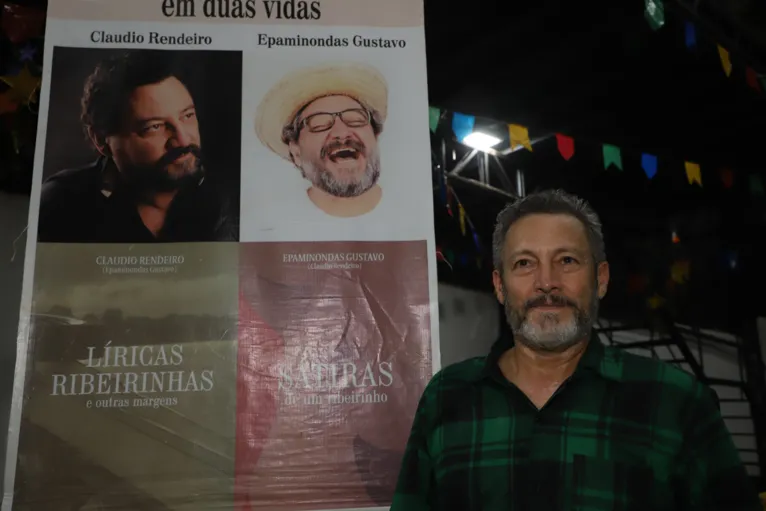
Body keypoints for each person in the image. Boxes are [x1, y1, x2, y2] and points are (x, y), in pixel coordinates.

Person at [391, 189, 761, 510]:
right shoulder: (447, 398)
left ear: (600, 279)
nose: (547, 282)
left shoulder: (677, 403)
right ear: (499, 285)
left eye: (567, 260)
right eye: (524, 263)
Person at [38, 50, 238, 243]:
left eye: (187, 116)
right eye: (154, 127)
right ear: (101, 140)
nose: (184, 140)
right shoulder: (60, 205)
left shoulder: (229, 196)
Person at [254, 62, 387, 218]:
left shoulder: (415, 212)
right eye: (319, 124)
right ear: (296, 153)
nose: (342, 132)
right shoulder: (273, 220)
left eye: (355, 119)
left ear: (375, 137)